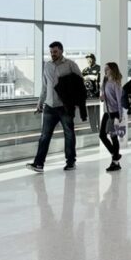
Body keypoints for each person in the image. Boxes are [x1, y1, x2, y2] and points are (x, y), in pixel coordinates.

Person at [28, 41, 84, 173]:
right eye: (51, 52)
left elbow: (80, 83)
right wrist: (39, 103)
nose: (53, 54)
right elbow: (44, 87)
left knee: (69, 134)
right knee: (44, 136)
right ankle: (39, 164)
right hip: (49, 106)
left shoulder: (70, 64)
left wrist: (75, 101)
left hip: (65, 107)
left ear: (61, 51)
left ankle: (71, 162)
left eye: (55, 52)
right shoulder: (47, 66)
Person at [100, 62, 124, 172]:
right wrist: (102, 97)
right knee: (102, 135)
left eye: (107, 69)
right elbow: (103, 97)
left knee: (113, 137)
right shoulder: (105, 81)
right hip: (107, 112)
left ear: (113, 70)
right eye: (105, 69)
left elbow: (120, 100)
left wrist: (120, 114)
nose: (105, 71)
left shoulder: (116, 83)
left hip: (114, 113)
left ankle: (115, 162)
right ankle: (116, 155)